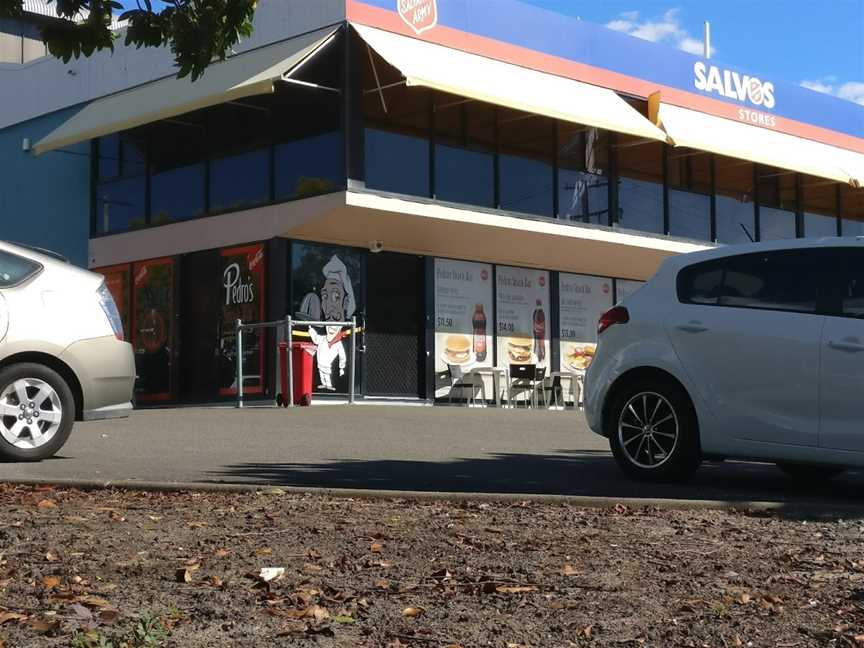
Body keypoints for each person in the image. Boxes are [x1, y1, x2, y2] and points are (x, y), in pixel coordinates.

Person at [306, 255, 356, 391]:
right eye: (325, 297)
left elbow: (343, 357)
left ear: (346, 303)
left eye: (336, 296)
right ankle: (326, 384)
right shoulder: (323, 337)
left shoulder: (341, 341)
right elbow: (315, 339)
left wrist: (341, 370)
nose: (328, 306)